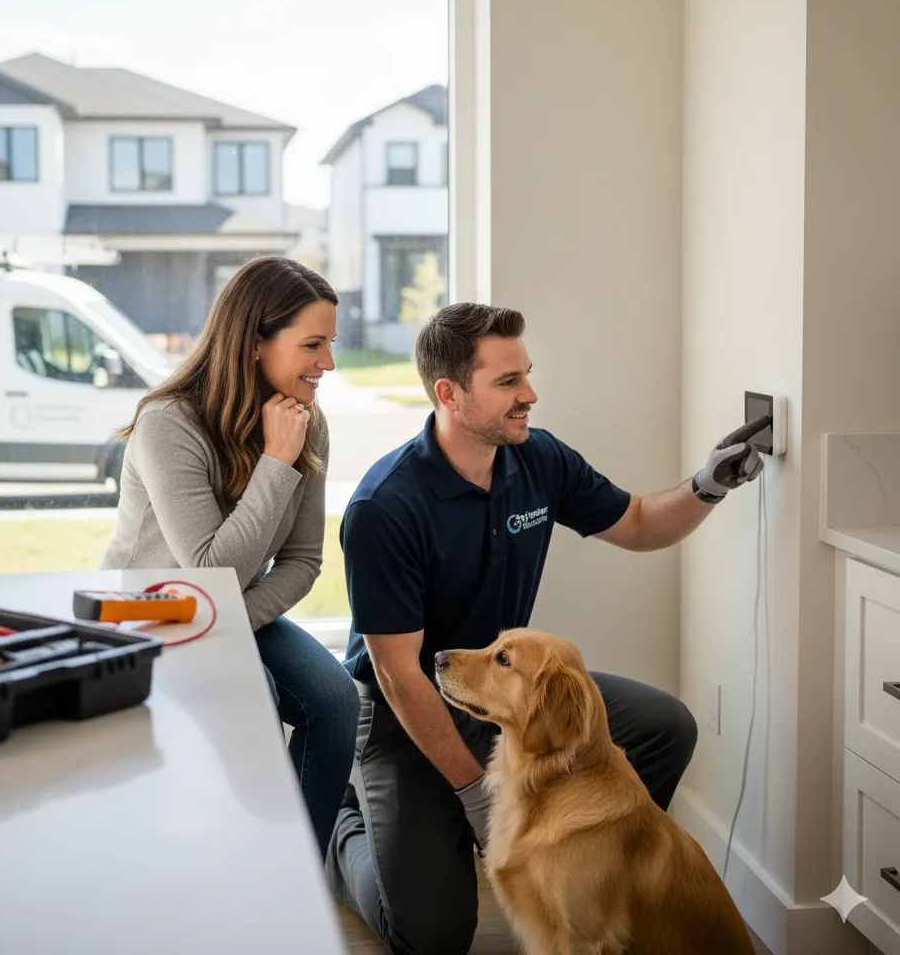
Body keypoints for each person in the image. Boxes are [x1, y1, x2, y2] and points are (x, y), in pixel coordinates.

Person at [325, 302, 767, 955]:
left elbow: (641, 522)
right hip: (403, 710)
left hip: (504, 690)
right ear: (449, 393)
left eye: (526, 374)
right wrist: (477, 797)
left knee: (662, 724)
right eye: (508, 382)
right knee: (430, 935)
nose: (530, 394)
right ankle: (341, 821)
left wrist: (706, 485)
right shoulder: (385, 507)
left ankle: (588, 875)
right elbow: (397, 675)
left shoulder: (537, 460)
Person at [100, 255, 360, 862]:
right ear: (252, 343)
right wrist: (275, 461)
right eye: (313, 345)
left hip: (229, 610)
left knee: (336, 699)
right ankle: (243, 869)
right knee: (257, 702)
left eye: (332, 344)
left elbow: (302, 560)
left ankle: (299, 872)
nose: (328, 364)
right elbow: (208, 570)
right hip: (146, 614)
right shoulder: (169, 423)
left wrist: (231, 623)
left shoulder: (304, 422)